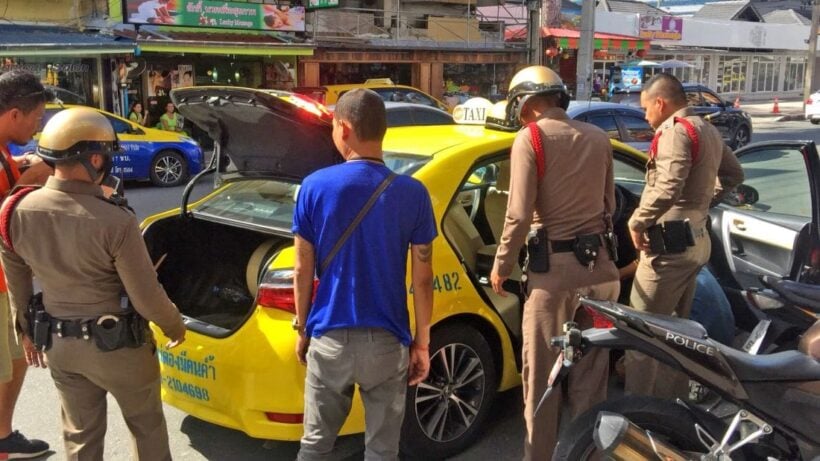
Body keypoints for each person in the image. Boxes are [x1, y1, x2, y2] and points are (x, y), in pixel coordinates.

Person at [0, 106, 187, 460]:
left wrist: (26, 332)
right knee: (146, 429)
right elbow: (146, 296)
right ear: (96, 160)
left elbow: (18, 283)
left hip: (60, 347)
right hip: (121, 349)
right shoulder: (115, 221)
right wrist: (173, 324)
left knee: (80, 438)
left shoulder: (14, 211)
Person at [292, 88, 435, 461]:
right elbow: (423, 278)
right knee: (383, 450)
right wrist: (422, 343)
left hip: (330, 339)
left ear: (344, 127)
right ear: (382, 131)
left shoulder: (313, 187)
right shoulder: (413, 193)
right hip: (387, 342)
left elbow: (301, 268)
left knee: (316, 446)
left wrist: (303, 327)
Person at [490, 66, 620, 460]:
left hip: (553, 282)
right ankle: (588, 455)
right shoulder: (600, 139)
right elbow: (610, 207)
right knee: (591, 380)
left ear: (526, 103)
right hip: (601, 280)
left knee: (544, 384)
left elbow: (518, 214)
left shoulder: (530, 139)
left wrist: (501, 265)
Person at [626, 73, 744, 399]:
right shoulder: (706, 129)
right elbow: (734, 174)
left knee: (642, 334)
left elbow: (667, 186)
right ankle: (672, 411)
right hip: (696, 241)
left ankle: (640, 418)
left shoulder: (675, 132)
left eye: (646, 108)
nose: (646, 116)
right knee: (675, 333)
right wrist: (701, 204)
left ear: (660, 103)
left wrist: (637, 222)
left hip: (669, 245)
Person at [0, 69, 51, 460]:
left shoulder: (4, 149)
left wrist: (20, 164)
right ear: (15, 114)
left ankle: (3, 437)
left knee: (14, 361)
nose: (37, 128)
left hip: (6, 280)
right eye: (36, 118)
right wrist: (25, 182)